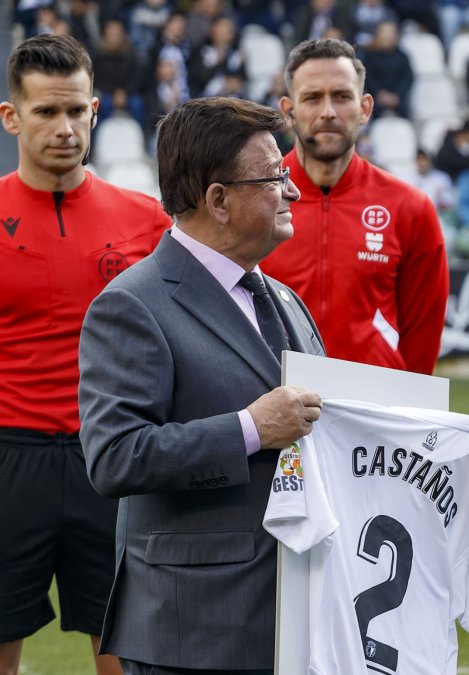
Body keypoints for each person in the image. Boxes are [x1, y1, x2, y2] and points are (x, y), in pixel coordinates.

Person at [77, 96, 323, 675]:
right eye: (275, 176)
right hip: (192, 630)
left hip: (291, 616)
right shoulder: (131, 305)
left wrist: (451, 443)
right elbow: (115, 457)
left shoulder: (284, 298)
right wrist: (249, 429)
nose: (292, 191)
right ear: (218, 200)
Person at [0, 34, 171, 675]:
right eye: (46, 112)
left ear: (95, 110)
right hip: (8, 457)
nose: (65, 128)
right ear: (12, 117)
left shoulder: (147, 221)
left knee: (126, 651)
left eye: (77, 111)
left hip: (114, 459)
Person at [261, 38, 448, 374]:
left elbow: (421, 344)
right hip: (272, 410)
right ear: (288, 111)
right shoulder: (254, 199)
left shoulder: (410, 208)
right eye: (313, 97)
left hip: (370, 414)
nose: (328, 111)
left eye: (342, 96)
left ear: (365, 108)